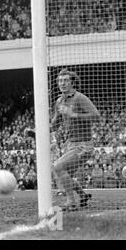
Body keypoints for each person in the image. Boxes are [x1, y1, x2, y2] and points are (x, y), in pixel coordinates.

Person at [51, 69, 100, 211]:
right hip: (69, 145)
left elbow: (96, 116)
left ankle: (70, 202)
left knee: (58, 167)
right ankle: (83, 196)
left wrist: (74, 114)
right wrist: (35, 132)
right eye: (60, 81)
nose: (62, 83)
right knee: (66, 176)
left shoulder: (80, 98)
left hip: (83, 145)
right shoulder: (59, 101)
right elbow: (54, 125)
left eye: (66, 80)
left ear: (72, 82)